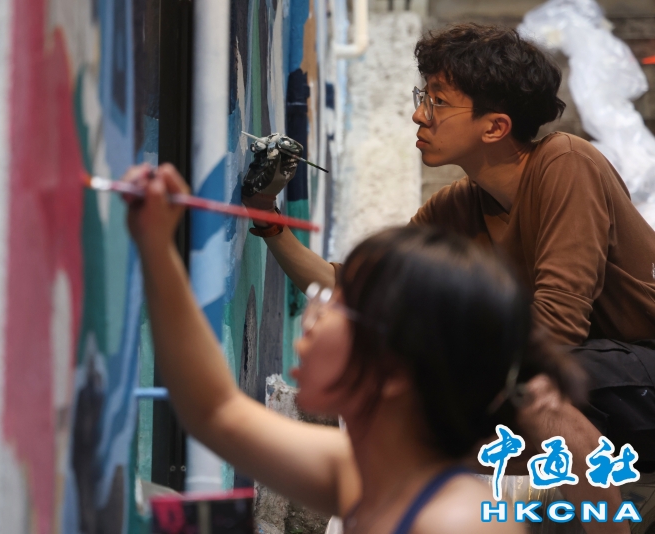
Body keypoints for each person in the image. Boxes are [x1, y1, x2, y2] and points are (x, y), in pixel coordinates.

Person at [242, 23, 655, 534]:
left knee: (523, 386)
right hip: (592, 383)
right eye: (424, 97)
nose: (420, 114)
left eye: (437, 102)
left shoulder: (566, 164)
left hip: (640, 372)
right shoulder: (458, 206)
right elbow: (355, 289)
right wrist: (267, 218)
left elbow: (558, 326)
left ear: (495, 127)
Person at [121, 162, 586, 534]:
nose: (313, 312)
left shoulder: (456, 523)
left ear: (396, 371)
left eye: (339, 304)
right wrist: (156, 246)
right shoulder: (362, 471)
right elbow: (216, 410)